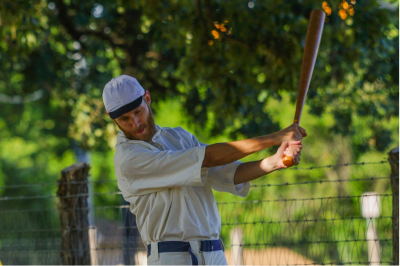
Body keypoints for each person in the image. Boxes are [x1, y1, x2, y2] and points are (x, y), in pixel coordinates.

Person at [102, 75, 306, 266]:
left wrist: (274, 161)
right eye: (124, 119)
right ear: (111, 118)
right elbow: (208, 157)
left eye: (138, 112)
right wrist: (275, 137)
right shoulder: (128, 159)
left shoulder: (180, 137)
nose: (135, 123)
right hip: (171, 257)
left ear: (147, 98)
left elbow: (227, 172)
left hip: (214, 252)